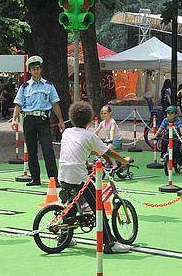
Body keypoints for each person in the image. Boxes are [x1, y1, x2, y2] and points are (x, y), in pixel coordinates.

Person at [58, 101, 132, 253]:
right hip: (78, 177)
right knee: (98, 207)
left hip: (63, 175)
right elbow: (107, 152)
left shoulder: (67, 132)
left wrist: (86, 164)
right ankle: (110, 243)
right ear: (90, 119)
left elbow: (74, 151)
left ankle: (64, 237)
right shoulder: (89, 136)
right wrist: (123, 160)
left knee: (71, 205)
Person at [12, 55, 65, 186]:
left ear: (41, 69)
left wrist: (61, 120)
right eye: (33, 69)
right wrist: (14, 119)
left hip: (43, 119)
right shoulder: (24, 87)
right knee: (31, 150)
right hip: (28, 119)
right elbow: (18, 104)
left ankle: (53, 178)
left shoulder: (49, 85)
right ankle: (35, 178)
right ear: (29, 71)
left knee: (48, 149)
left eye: (38, 68)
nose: (36, 71)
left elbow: (55, 104)